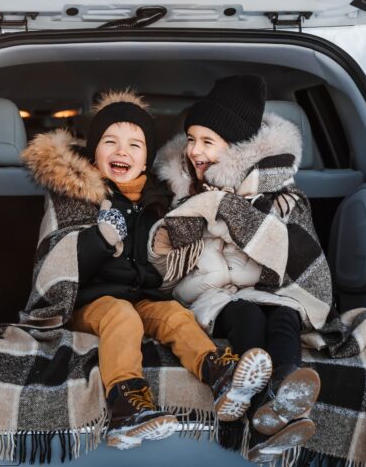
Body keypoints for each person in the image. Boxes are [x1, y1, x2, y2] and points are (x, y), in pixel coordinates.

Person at [20, 89, 272, 450]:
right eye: (111, 142)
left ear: (146, 160)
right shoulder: (79, 197)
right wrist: (101, 239)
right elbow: (59, 265)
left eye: (135, 145)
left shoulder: (159, 201)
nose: (122, 151)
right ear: (94, 152)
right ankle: (126, 404)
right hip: (92, 302)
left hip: (144, 295)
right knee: (123, 316)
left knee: (173, 315)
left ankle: (218, 373)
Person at [150, 75, 330, 462]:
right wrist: (210, 211)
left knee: (282, 314)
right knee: (247, 316)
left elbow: (295, 250)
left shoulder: (279, 196)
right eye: (192, 138)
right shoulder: (181, 191)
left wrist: (235, 214)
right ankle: (266, 403)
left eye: (207, 142)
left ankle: (284, 390)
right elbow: (163, 250)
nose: (195, 150)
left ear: (235, 150)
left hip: (262, 288)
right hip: (208, 293)